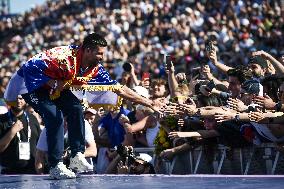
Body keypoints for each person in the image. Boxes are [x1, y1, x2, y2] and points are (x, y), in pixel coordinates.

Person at [4, 33, 161, 179]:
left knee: (76, 108)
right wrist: (52, 83)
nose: (102, 57)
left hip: (58, 86)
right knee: (55, 116)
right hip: (32, 84)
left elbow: (120, 89)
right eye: (99, 53)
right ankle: (55, 165)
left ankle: (76, 156)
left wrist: (149, 102)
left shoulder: (95, 69)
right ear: (87, 51)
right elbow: (30, 66)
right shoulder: (61, 57)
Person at [0, 95, 41, 174]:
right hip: (9, 173)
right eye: (15, 98)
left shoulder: (32, 119)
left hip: (32, 172)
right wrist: (12, 131)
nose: (18, 101)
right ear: (9, 100)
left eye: (21, 98)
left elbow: (39, 145)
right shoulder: (2, 120)